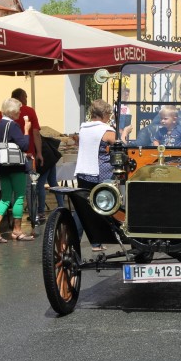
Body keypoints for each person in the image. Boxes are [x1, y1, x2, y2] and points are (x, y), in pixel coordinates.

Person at [0, 98, 33, 242]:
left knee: (5, 198)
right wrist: (26, 129)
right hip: (15, 166)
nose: (20, 113)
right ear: (13, 112)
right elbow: (24, 145)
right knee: (19, 197)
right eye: (18, 110)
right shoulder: (13, 125)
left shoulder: (0, 124)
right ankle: (17, 231)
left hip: (3, 165)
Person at [74, 99, 117, 251]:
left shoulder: (84, 128)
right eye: (109, 114)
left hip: (83, 173)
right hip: (101, 173)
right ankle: (102, 239)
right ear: (104, 114)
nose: (110, 117)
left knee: (82, 210)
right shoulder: (106, 130)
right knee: (104, 205)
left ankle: (75, 240)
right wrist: (124, 132)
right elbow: (121, 145)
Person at [0, 88, 42, 171]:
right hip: (23, 156)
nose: (20, 112)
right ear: (21, 97)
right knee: (28, 182)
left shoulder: (3, 114)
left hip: (4, 158)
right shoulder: (29, 111)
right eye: (25, 97)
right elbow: (35, 135)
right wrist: (39, 153)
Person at [36, 134, 65, 221]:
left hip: (45, 159)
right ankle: (61, 207)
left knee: (40, 185)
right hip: (50, 157)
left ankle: (41, 212)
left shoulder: (30, 131)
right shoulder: (35, 132)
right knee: (53, 183)